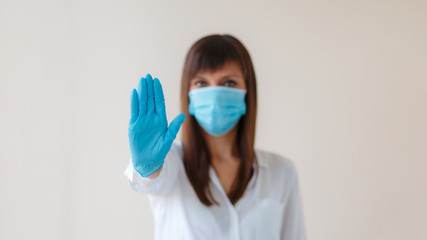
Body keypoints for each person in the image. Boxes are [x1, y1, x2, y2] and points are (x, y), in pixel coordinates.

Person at [124, 34, 306, 240]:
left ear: (248, 91)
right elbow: (151, 181)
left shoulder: (282, 172)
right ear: (189, 93)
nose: (215, 94)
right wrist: (148, 167)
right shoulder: (171, 162)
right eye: (201, 83)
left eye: (228, 83)